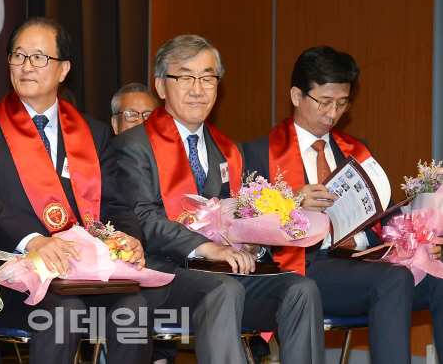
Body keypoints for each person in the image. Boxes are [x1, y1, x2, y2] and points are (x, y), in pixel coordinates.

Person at [113, 35, 324, 364]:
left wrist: (254, 241)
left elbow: (244, 216)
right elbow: (143, 220)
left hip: (225, 274)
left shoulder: (229, 150)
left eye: (208, 78)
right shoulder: (133, 145)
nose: (198, 89)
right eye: (185, 77)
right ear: (161, 85)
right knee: (222, 290)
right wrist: (208, 247)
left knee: (301, 289)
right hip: (161, 277)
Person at [0, 16, 152, 364]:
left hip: (88, 274)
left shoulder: (92, 132)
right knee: (65, 313)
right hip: (18, 271)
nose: (26, 66)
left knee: (134, 308)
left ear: (63, 70)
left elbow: (114, 203)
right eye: (18, 56)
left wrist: (127, 237)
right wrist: (34, 240)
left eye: (38, 57)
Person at [243, 45, 443, 363]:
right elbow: (246, 223)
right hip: (307, 266)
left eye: (342, 103)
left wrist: (421, 242)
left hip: (367, 261)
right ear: (296, 95)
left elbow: (386, 213)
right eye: (324, 102)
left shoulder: (355, 148)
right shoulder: (258, 153)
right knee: (394, 279)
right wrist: (293, 201)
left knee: (439, 277)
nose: (332, 114)